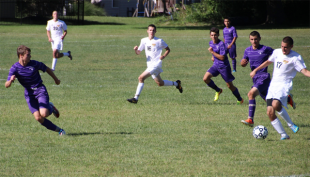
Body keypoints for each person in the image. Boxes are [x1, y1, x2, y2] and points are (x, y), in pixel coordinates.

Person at [250, 36, 310, 140]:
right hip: (273, 85)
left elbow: (305, 71)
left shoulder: (295, 57)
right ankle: (284, 135)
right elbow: (268, 61)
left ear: (291, 46)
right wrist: (256, 70)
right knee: (269, 112)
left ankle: (291, 125)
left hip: (284, 85)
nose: (283, 49)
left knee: (275, 104)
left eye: (286, 47)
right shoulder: (277, 52)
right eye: (282, 46)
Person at [5, 45, 65, 136]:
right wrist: (10, 81)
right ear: (21, 56)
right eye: (28, 55)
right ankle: (59, 130)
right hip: (29, 94)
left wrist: (56, 79)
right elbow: (6, 85)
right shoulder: (15, 68)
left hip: (40, 90)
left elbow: (47, 68)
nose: (30, 56)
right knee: (38, 118)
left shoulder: (34, 64)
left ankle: (50, 107)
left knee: (44, 114)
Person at [241, 31, 296, 127]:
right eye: (252, 39)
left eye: (256, 39)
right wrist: (243, 63)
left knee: (251, 94)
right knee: (270, 102)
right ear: (249, 40)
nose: (254, 41)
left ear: (260, 38)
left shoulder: (265, 49)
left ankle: (250, 119)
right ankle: (287, 98)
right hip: (255, 78)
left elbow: (278, 54)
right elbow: (243, 62)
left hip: (263, 77)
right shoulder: (247, 50)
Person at [127, 24, 183, 104]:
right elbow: (138, 52)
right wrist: (136, 50)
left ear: (155, 31)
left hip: (156, 64)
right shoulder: (144, 40)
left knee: (141, 78)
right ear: (147, 31)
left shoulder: (159, 41)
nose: (151, 32)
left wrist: (163, 56)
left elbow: (168, 49)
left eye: (153, 30)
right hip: (149, 65)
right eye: (150, 30)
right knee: (160, 83)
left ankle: (135, 98)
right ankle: (176, 84)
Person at [203, 27, 243, 104]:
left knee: (229, 86)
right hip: (216, 66)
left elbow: (222, 57)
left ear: (218, 35)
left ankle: (240, 99)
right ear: (210, 35)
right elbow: (214, 52)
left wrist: (212, 53)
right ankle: (218, 90)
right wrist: (213, 56)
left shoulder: (221, 44)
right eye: (212, 35)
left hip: (224, 67)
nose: (213, 37)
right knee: (205, 78)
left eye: (215, 35)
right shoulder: (211, 43)